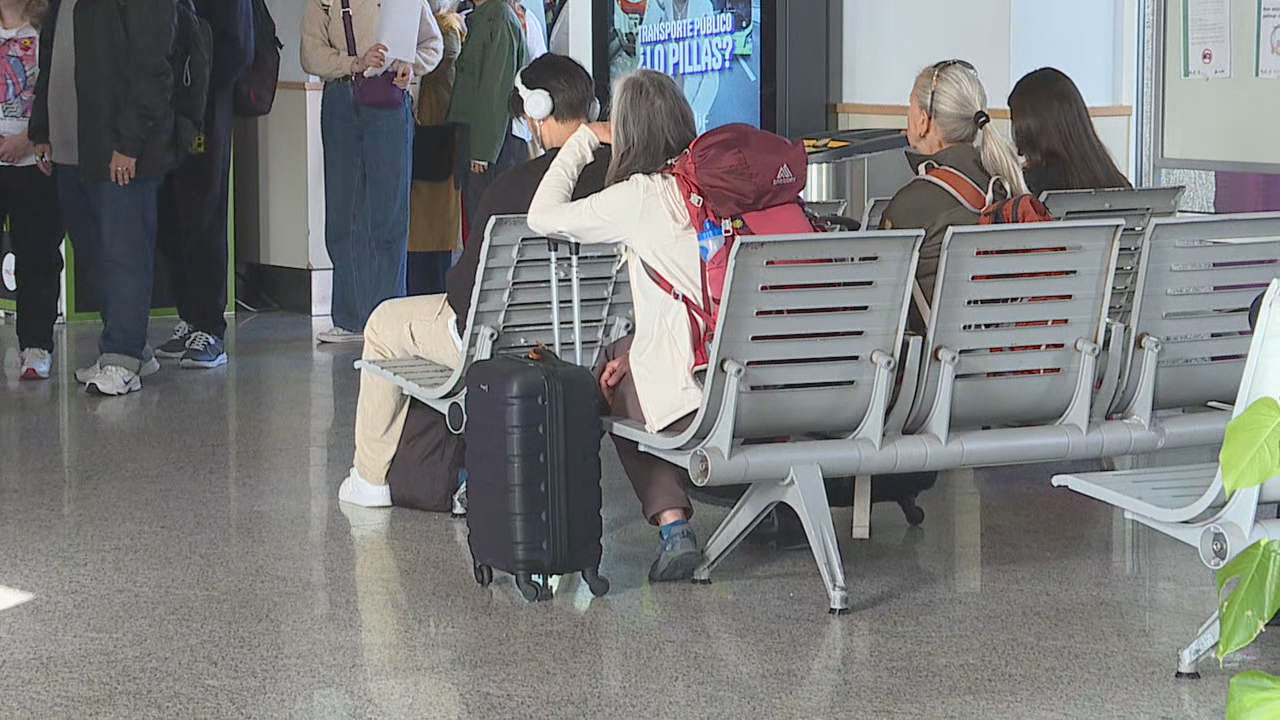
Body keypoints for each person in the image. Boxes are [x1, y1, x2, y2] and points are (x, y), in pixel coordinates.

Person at [340, 53, 609, 508]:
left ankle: (369, 479)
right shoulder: (620, 179)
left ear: (537, 111)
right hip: (588, 342)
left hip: (499, 341)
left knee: (384, 323)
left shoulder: (513, 188)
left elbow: (466, 297)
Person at [527, 69, 705, 583]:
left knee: (611, 373)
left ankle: (673, 527)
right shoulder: (715, 188)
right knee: (625, 353)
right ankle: (777, 510)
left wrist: (583, 139)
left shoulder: (641, 197)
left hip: (701, 393)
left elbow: (543, 215)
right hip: (757, 382)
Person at [30, 0, 177, 396]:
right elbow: (51, 61)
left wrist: (129, 142)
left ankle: (122, 356)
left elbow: (153, 70)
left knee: (124, 254)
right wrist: (41, 130)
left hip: (120, 150)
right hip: (70, 151)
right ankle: (132, 348)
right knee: (95, 254)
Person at [301, 0, 444, 344]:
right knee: (342, 212)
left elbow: (433, 44)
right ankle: (350, 317)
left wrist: (411, 65)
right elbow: (310, 54)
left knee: (389, 214)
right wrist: (353, 62)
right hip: (340, 98)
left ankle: (387, 318)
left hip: (390, 102)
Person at [155, 0, 254, 369]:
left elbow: (238, 48)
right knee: (169, 217)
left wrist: (200, 83)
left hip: (206, 106)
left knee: (203, 213)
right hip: (165, 105)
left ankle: (210, 327)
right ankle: (190, 316)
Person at [881, 59, 1028, 300]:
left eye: (910, 105)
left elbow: (878, 295)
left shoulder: (912, 203)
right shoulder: (1006, 185)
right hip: (1004, 333)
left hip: (932, 336)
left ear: (923, 121)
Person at [1, 0, 61, 381]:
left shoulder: (50, 26)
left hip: (34, 159)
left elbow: (61, 88)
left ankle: (36, 345)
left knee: (37, 252)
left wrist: (31, 137)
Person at [447, 0, 527, 222]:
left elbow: (495, 88)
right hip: (474, 136)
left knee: (484, 222)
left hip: (489, 144)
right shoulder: (483, 16)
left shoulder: (498, 17)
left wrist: (482, 152)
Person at [406, 0, 465, 296]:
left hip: (434, 132)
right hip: (437, 130)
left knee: (429, 220)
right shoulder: (452, 27)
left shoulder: (445, 30)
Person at [1008, 67, 1131, 196]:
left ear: (1032, 133)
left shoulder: (1027, 186)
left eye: (1019, 131)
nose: (1018, 150)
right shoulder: (1118, 182)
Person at [643, 0, 718, 132]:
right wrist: (658, 7)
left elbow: (711, 76)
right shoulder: (658, 5)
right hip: (660, 114)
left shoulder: (704, 6)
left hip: (692, 116)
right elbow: (644, 52)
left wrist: (693, 117)